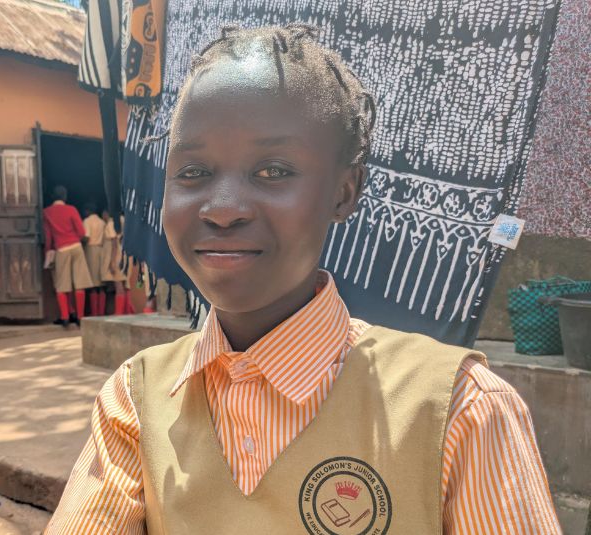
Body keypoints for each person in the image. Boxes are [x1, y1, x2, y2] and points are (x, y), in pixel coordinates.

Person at [46, 25, 559, 534]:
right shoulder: (135, 401)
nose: (222, 209)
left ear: (344, 192)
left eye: (273, 171)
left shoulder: (460, 412)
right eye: (193, 171)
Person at [43, 185, 94, 327]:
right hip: (76, 247)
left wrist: (48, 251)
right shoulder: (71, 209)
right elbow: (82, 232)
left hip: (61, 249)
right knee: (80, 283)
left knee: (62, 284)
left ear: (53, 196)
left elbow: (48, 236)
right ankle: (80, 317)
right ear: (65, 196)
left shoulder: (46, 212)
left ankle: (65, 317)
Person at [100, 209, 131, 315]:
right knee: (124, 283)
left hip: (117, 255)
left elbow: (114, 243)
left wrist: (112, 262)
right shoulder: (125, 220)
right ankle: (126, 311)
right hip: (125, 255)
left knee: (118, 284)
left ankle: (119, 313)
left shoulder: (111, 223)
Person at [82, 203, 107, 316]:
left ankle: (95, 313)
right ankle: (101, 312)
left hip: (91, 250)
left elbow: (86, 237)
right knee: (101, 283)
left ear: (88, 211)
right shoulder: (102, 222)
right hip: (101, 249)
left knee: (93, 283)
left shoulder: (87, 221)